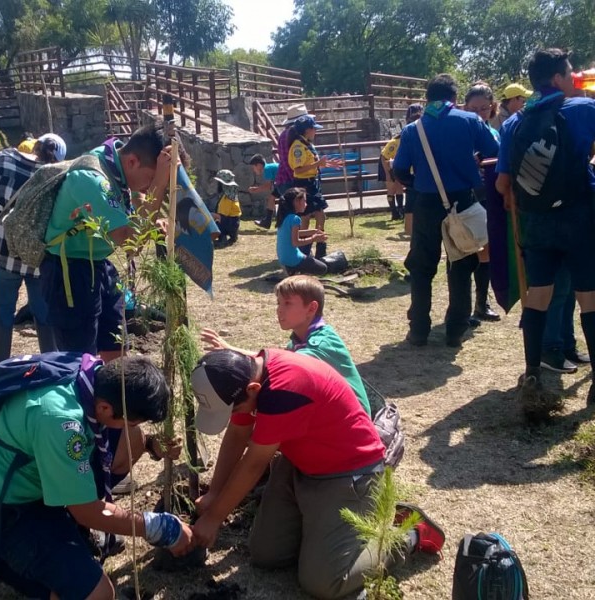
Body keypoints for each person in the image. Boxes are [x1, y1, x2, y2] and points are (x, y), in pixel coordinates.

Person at [189, 349, 444, 600]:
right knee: (266, 554)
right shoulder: (247, 376)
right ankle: (321, 536)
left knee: (324, 582)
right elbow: (237, 434)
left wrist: (214, 519)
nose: (235, 416)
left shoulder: (283, 389)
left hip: (349, 475)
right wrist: (214, 495)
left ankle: (409, 531)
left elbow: (254, 463)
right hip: (301, 465)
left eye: (233, 410)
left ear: (253, 390)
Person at [0, 354, 192, 599]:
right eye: (132, 422)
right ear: (104, 408)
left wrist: (150, 444)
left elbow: (120, 439)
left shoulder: (92, 374)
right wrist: (159, 528)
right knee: (97, 594)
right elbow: (87, 511)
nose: (132, 428)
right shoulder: (61, 422)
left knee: (128, 442)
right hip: (3, 504)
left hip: (37, 483)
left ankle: (35, 540)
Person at [495, 48, 595, 412]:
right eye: (568, 74)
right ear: (557, 78)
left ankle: (533, 372)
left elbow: (503, 183)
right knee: (589, 296)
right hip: (580, 218)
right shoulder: (583, 109)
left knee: (538, 294)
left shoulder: (513, 124)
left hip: (535, 223)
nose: (572, 80)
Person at [40, 121, 173, 362]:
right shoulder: (91, 179)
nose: (147, 186)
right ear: (133, 161)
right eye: (150, 177)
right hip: (70, 271)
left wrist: (151, 214)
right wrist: (159, 183)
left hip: (99, 263)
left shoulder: (115, 160)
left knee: (116, 345)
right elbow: (132, 244)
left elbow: (137, 200)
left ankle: (110, 394)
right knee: (80, 359)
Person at [393, 73, 500, 347]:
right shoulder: (471, 121)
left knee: (421, 265)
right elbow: (495, 152)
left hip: (427, 202)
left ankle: (418, 329)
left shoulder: (412, 130)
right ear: (454, 98)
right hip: (463, 200)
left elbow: (400, 170)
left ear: (427, 99)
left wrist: (419, 184)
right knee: (462, 263)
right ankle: (455, 330)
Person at [201, 274, 370, 415]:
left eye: (287, 303)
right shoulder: (300, 338)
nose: (279, 310)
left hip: (354, 418)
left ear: (311, 309)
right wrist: (230, 349)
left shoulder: (320, 344)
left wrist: (229, 349)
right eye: (278, 303)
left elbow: (277, 366)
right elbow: (273, 361)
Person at [0, 134, 67, 366]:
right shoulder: (57, 176)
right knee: (45, 316)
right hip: (39, 258)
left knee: (2, 313)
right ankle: (52, 371)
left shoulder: (3, 161)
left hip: (3, 254)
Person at [463, 82, 502, 324]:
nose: (479, 114)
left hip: (489, 196)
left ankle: (481, 302)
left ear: (493, 108)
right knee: (465, 249)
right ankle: (462, 306)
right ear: (465, 108)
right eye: (474, 109)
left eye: (484, 109)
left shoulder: (496, 134)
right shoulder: (461, 135)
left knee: (486, 250)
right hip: (467, 196)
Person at [288, 115, 342, 260]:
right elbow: (298, 170)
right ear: (307, 130)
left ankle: (314, 249)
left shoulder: (307, 144)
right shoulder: (298, 147)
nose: (315, 132)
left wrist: (328, 164)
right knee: (310, 216)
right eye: (313, 129)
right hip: (303, 184)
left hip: (312, 183)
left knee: (314, 216)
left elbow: (314, 163)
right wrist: (318, 165)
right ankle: (310, 249)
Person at [380, 104, 423, 225]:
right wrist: (388, 174)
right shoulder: (396, 141)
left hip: (402, 167)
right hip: (390, 166)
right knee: (391, 188)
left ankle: (401, 210)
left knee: (399, 188)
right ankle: (393, 211)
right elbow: (384, 156)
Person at [275, 187, 328, 276]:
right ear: (296, 202)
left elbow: (291, 234)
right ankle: (295, 272)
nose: (306, 204)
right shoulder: (295, 219)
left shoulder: (284, 216)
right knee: (323, 268)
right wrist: (313, 238)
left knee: (309, 259)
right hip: (292, 259)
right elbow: (296, 242)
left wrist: (313, 231)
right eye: (304, 201)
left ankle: (294, 271)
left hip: (283, 257)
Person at [248, 153, 279, 229]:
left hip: (286, 182)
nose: (254, 170)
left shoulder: (266, 169)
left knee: (273, 198)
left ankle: (269, 221)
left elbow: (268, 186)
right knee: (272, 198)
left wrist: (256, 190)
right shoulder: (269, 167)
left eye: (253, 167)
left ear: (258, 165)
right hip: (284, 182)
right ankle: (268, 221)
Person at [212, 169, 241, 247]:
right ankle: (233, 236)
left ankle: (222, 239)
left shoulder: (227, 198)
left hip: (230, 223)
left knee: (214, 224)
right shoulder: (231, 194)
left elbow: (222, 217)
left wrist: (211, 216)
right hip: (235, 223)